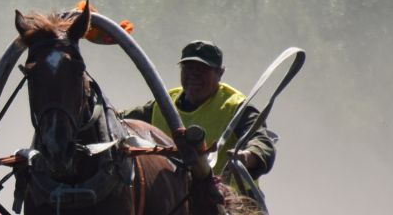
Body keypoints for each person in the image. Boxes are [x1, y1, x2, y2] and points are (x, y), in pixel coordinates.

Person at [118, 39, 277, 206]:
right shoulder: (163, 103)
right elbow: (121, 119)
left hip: (229, 203)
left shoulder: (236, 107)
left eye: (202, 69)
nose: (193, 75)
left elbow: (261, 141)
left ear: (220, 73)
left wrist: (248, 156)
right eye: (188, 68)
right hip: (172, 200)